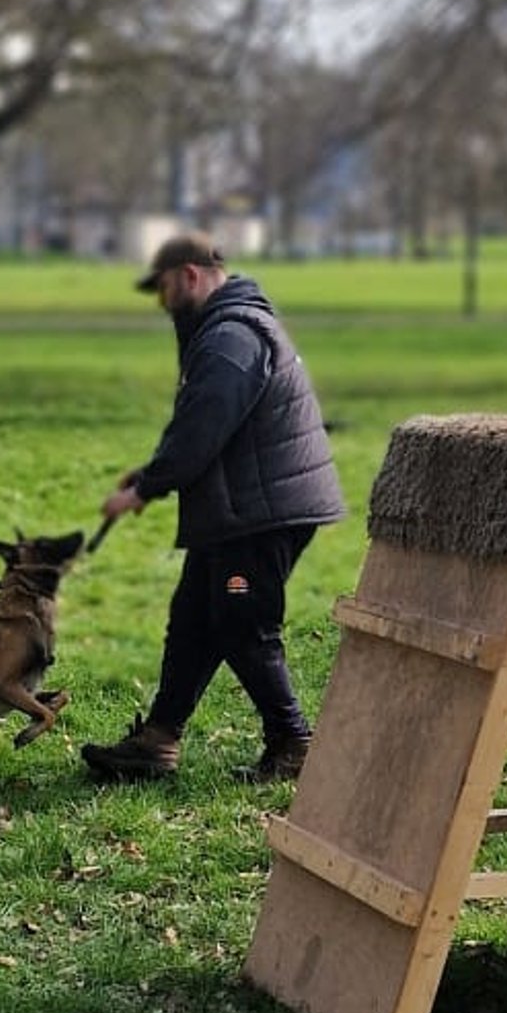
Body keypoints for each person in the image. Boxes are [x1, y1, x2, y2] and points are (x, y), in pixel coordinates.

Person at [81, 232, 344, 786]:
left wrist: (144, 489)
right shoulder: (226, 329)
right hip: (241, 507)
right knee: (195, 621)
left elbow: (204, 427)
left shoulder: (230, 336)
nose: (163, 303)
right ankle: (158, 740)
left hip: (260, 511)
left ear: (191, 276)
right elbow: (200, 420)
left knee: (243, 625)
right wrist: (153, 469)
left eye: (164, 289)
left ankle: (294, 742)